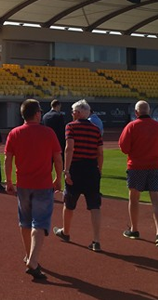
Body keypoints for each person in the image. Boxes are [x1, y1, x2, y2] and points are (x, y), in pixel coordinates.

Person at [4, 99, 63, 280]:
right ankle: (33, 260)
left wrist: (8, 181)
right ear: (37, 114)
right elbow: (58, 159)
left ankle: (29, 255)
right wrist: (58, 178)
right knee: (39, 223)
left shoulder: (14, 133)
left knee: (25, 221)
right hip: (43, 184)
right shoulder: (48, 133)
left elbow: (8, 159)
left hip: (23, 183)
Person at [53, 99, 104, 252]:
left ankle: (66, 231)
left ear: (77, 113)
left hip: (76, 168)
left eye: (73, 112)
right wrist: (99, 170)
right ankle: (96, 240)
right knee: (94, 205)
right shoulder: (95, 129)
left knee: (69, 203)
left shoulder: (70, 126)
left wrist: (66, 170)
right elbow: (100, 152)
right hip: (91, 169)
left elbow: (69, 148)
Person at [119, 100, 158, 247]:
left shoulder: (132, 126)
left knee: (134, 199)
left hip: (136, 167)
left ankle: (134, 229)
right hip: (155, 166)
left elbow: (124, 147)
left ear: (136, 113)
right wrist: (157, 159)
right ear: (149, 111)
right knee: (156, 201)